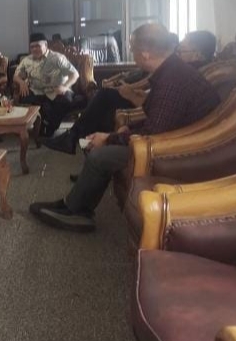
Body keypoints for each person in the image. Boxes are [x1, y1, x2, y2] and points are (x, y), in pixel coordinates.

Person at [30, 24, 220, 232]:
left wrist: (109, 138)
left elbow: (154, 133)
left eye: (132, 47)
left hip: (180, 153)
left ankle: (77, 211)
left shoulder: (172, 80)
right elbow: (158, 118)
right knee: (105, 139)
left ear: (145, 54)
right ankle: (73, 203)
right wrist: (124, 131)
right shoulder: (170, 71)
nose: (130, 51)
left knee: (100, 155)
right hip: (175, 139)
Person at [44, 30, 217, 154]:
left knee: (104, 101)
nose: (176, 54)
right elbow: (155, 94)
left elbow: (158, 120)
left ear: (198, 55)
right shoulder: (179, 70)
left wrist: (133, 97)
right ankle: (82, 146)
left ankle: (77, 141)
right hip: (156, 110)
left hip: (174, 139)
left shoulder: (181, 75)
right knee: (103, 102)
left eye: (181, 51)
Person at [13, 33, 79, 137]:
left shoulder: (57, 58)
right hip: (37, 91)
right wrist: (21, 82)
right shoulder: (27, 60)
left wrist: (65, 86)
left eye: (38, 46)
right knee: (24, 98)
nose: (34, 49)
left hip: (56, 90)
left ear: (46, 45)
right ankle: (42, 124)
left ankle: (51, 127)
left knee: (65, 101)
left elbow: (75, 74)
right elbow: (16, 76)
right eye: (32, 47)